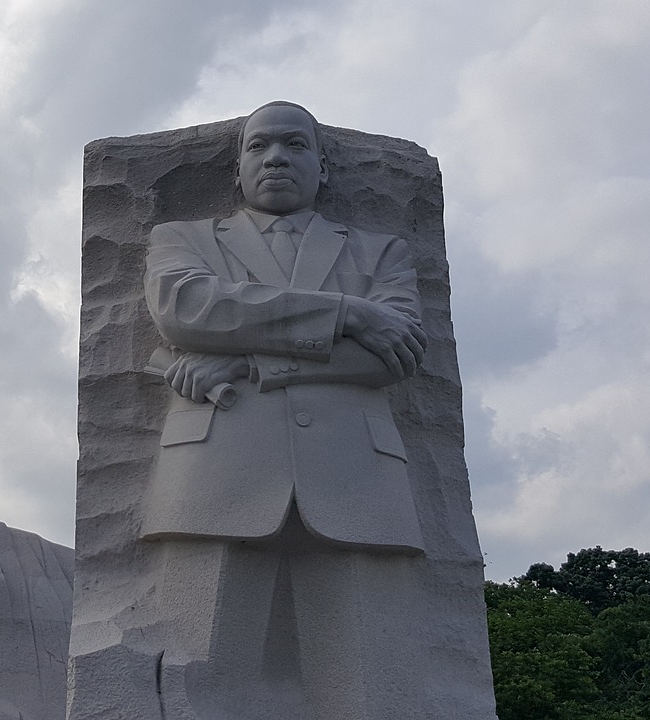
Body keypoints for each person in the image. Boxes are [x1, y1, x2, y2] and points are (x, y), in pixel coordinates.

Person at [141, 101, 429, 719]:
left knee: (376, 688)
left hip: (357, 479)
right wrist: (348, 314)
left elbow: (395, 354)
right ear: (237, 169)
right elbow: (188, 311)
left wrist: (248, 364)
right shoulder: (181, 241)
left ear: (323, 169)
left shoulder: (382, 253)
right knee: (198, 686)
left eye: (295, 145)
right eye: (259, 146)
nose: (276, 157)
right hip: (216, 474)